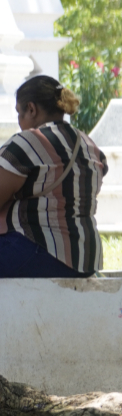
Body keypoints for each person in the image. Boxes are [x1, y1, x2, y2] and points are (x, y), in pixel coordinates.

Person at [0, 76, 107, 278]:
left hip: (39, 252)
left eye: (19, 113)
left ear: (31, 109)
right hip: (86, 260)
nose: (19, 121)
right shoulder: (90, 145)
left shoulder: (28, 142)